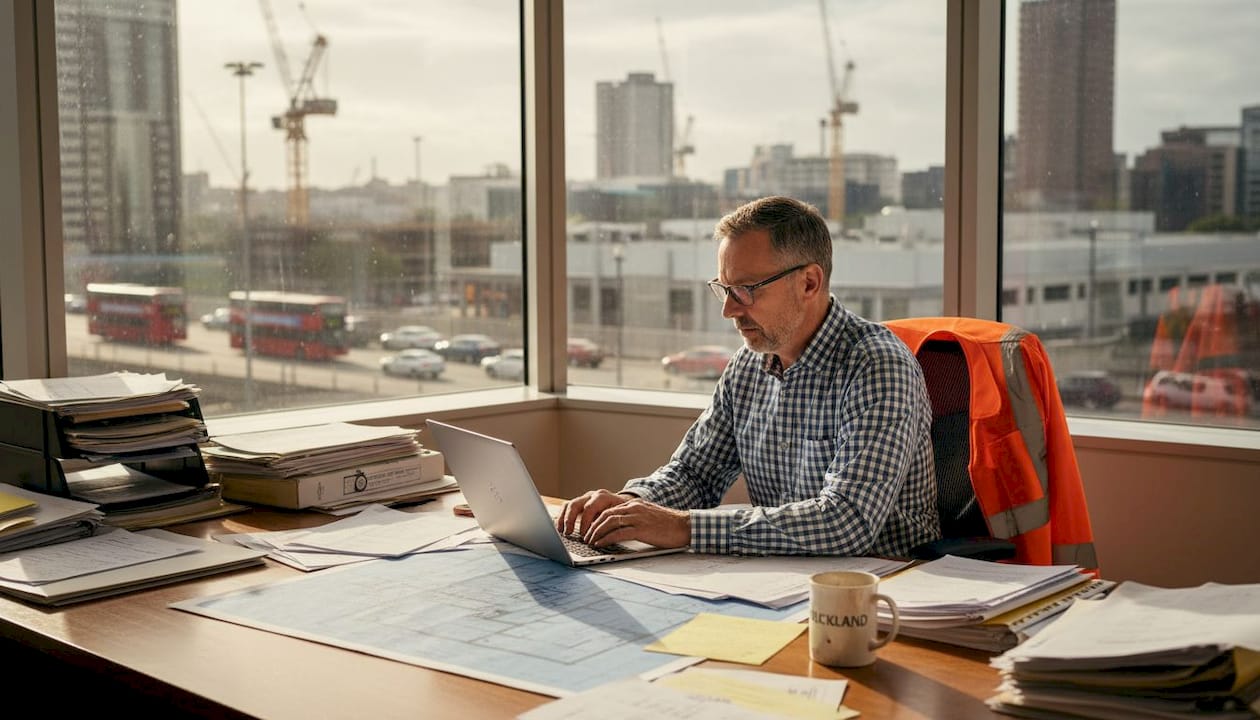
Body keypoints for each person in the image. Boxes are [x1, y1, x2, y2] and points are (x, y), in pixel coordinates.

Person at [557, 195, 940, 556]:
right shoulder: (748, 366)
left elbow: (847, 521)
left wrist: (683, 527)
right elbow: (696, 474)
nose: (729, 310)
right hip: (779, 576)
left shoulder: (878, 367)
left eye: (744, 289)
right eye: (724, 289)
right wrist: (630, 505)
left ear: (809, 282)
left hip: (888, 582)